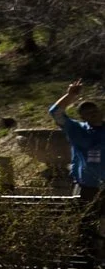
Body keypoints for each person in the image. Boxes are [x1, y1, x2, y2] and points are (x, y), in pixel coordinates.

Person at [49, 82, 105, 251]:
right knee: (86, 224)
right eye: (87, 112)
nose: (92, 114)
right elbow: (55, 112)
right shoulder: (77, 130)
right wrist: (71, 95)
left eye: (94, 110)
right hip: (87, 186)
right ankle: (87, 259)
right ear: (82, 116)